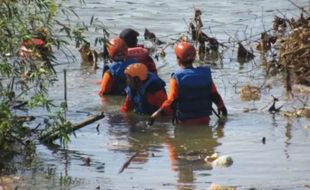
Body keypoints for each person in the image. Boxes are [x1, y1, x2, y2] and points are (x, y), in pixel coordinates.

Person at [150, 41, 227, 125]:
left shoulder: (177, 77)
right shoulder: (205, 74)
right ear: (194, 58)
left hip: (185, 122)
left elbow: (171, 101)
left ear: (178, 58)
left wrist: (156, 113)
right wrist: (221, 106)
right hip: (204, 120)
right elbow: (214, 94)